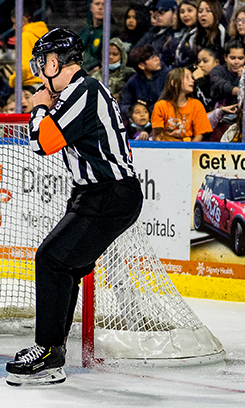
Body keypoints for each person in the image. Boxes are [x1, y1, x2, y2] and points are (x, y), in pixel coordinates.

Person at [11, 28, 140, 387]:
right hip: (93, 194)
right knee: (64, 265)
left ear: (55, 62)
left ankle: (48, 351)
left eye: (42, 64)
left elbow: (43, 142)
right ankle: (52, 351)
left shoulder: (85, 89)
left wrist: (38, 105)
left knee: (52, 260)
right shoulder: (75, 93)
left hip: (110, 195)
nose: (39, 71)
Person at [152, 67, 212, 141]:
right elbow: (156, 136)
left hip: (188, 146)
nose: (192, 80)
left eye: (192, 78)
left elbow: (199, 135)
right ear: (174, 83)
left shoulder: (196, 105)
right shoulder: (160, 106)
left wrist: (188, 150)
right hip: (166, 147)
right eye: (187, 78)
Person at [121, 45, 169, 115]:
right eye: (151, 57)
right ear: (141, 65)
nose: (157, 59)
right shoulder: (133, 82)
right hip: (141, 122)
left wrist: (148, 110)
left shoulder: (169, 76)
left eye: (156, 55)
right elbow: (124, 104)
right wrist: (136, 110)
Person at [8, 5, 48, 89]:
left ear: (23, 20)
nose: (14, 27)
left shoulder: (25, 36)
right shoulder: (45, 35)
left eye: (15, 23)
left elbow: (25, 67)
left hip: (32, 85)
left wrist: (12, 80)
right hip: (47, 83)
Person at [210, 39, 245, 104]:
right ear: (225, 57)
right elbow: (221, 86)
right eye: (232, 58)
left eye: (240, 58)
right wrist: (240, 91)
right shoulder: (217, 70)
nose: (236, 62)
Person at [80, 0, 105, 71]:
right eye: (97, 4)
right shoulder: (84, 31)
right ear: (91, 7)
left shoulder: (111, 32)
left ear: (109, 8)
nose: (100, 7)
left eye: (104, 4)